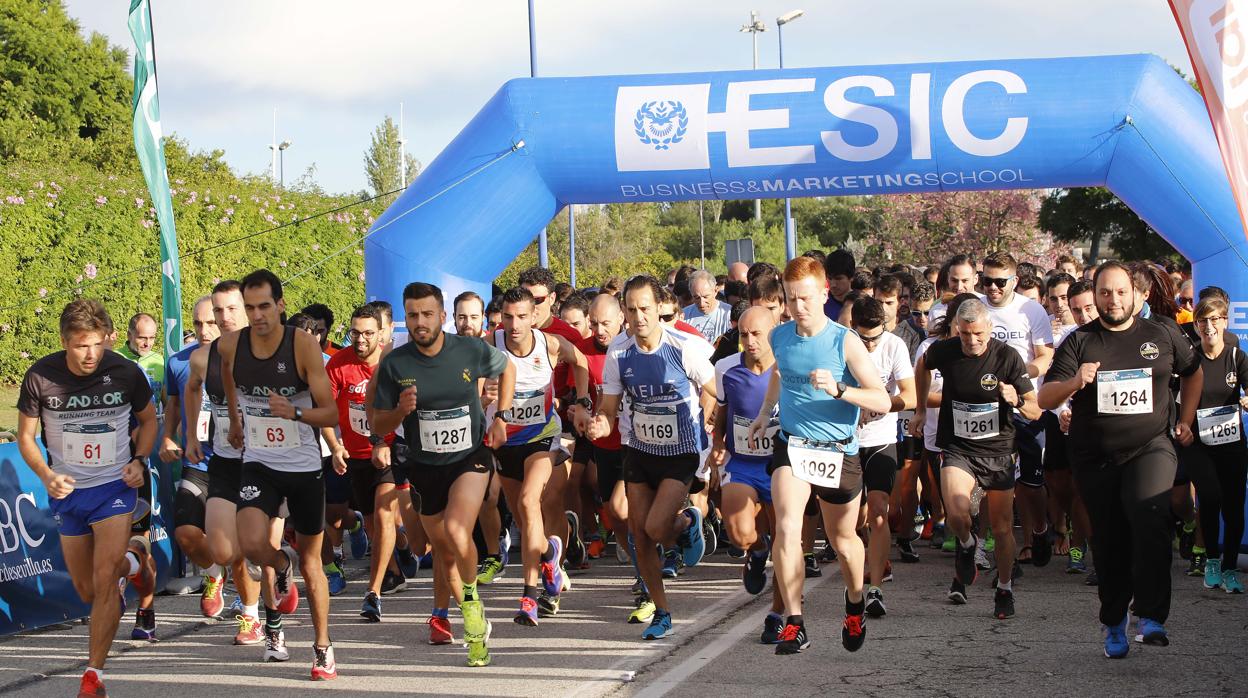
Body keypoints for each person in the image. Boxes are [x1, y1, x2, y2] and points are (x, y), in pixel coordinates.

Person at [1039, 261, 1201, 658]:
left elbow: (1193, 372)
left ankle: (1151, 616)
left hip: (1151, 446)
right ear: (1095, 296)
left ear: (1137, 294)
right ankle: (1114, 620)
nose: (1113, 300)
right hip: (1096, 456)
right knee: (1110, 540)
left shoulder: (1161, 331)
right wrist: (1077, 381)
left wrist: (1185, 419)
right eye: (1105, 292)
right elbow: (1045, 398)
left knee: (1150, 517)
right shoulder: (1079, 341)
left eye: (1121, 292)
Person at [747, 256, 891, 655]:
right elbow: (780, 373)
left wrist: (840, 390)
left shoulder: (843, 341)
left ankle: (855, 601)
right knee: (788, 528)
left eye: (806, 298)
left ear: (824, 293)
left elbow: (881, 398)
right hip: (794, 445)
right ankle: (795, 621)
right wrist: (764, 413)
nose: (799, 307)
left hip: (837, 452)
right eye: (792, 299)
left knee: (843, 540)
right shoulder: (779, 336)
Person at [17, 299, 157, 698]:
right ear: (65, 341)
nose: (91, 354)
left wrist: (140, 461)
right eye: (81, 345)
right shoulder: (40, 376)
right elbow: (25, 437)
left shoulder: (125, 371)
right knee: (87, 592)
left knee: (104, 576)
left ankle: (93, 675)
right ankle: (136, 558)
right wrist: (46, 474)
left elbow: (149, 421)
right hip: (69, 493)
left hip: (114, 488)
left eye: (97, 344)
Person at [371, 281, 515, 667]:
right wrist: (399, 412)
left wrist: (501, 415)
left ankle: (469, 606)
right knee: (439, 550)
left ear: (443, 316)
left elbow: (509, 368)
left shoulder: (468, 350)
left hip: (470, 458)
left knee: (456, 531)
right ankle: (474, 621)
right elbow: (375, 419)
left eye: (428, 314)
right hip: (424, 466)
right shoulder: (395, 363)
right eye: (413, 315)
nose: (421, 322)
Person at [218, 270, 341, 680]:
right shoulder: (231, 344)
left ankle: (322, 646)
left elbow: (331, 412)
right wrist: (236, 421)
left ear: (281, 305)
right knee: (253, 544)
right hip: (259, 461)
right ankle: (278, 569)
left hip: (304, 466)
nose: (257, 316)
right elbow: (233, 385)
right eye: (249, 308)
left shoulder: (302, 345)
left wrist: (296, 412)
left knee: (312, 563)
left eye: (264, 306)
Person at [587, 275, 714, 641]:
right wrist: (599, 422)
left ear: (660, 308)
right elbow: (609, 405)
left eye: (645, 308)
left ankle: (687, 522)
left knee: (658, 527)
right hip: (639, 450)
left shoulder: (683, 347)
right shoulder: (619, 352)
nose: (638, 316)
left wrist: (717, 426)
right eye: (631, 309)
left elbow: (715, 390)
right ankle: (662, 612)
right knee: (641, 536)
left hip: (680, 452)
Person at [914, 299, 1040, 619]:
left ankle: (1005, 588)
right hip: (958, 448)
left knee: (1000, 529)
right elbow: (922, 367)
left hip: (998, 453)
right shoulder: (947, 350)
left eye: (978, 334)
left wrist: (1016, 398)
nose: (972, 341)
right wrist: (919, 409)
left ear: (990, 329)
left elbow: (1034, 409)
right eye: (966, 334)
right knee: (957, 512)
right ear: (957, 329)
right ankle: (968, 544)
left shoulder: (1007, 357)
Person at [490, 287, 591, 625]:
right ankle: (550, 552)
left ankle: (529, 595)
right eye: (508, 317)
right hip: (506, 442)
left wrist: (581, 401)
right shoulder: (492, 343)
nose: (514, 324)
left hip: (540, 436)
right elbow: (471, 384)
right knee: (523, 519)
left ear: (534, 316)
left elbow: (581, 363)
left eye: (521, 316)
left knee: (530, 503)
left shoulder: (548, 344)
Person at [183, 280, 273, 646]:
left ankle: (253, 616)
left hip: (267, 463)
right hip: (224, 459)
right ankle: (256, 582)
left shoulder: (271, 351)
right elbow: (191, 389)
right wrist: (190, 435)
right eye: (218, 311)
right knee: (224, 550)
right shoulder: (203, 357)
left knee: (255, 547)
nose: (224, 318)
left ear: (247, 309)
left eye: (231, 309)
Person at [323, 304, 403, 621]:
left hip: (389, 449)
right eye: (355, 333)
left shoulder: (392, 364)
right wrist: (335, 446)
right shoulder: (338, 365)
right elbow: (326, 412)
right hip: (356, 454)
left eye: (368, 333)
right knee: (371, 521)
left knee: (384, 515)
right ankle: (396, 567)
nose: (360, 340)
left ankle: (374, 591)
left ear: (380, 334)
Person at [713, 306, 785, 641]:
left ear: (774, 330)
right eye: (744, 334)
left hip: (782, 465)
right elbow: (722, 411)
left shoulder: (789, 367)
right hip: (742, 463)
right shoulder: (726, 368)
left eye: (757, 334)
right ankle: (757, 550)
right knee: (739, 533)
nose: (750, 341)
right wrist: (717, 444)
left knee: (788, 544)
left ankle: (778, 614)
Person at [979, 253, 1055, 570]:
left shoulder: (1030, 309)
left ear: (1014, 281)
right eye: (987, 281)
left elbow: (1045, 356)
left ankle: (1039, 531)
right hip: (984, 406)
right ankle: (985, 544)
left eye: (1000, 282)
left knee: (1029, 484)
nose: (992, 288)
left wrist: (1018, 375)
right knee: (985, 480)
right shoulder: (973, 305)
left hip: (1023, 404)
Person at [159, 296, 224, 622]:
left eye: (211, 322)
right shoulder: (179, 363)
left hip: (235, 463)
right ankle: (213, 575)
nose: (204, 330)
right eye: (198, 323)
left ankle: (253, 611)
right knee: (186, 533)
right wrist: (169, 436)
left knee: (237, 545)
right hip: (197, 462)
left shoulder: (241, 358)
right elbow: (172, 405)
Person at [850, 297, 916, 618]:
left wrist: (881, 403)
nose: (872, 344)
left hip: (881, 439)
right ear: (853, 328)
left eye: (876, 336)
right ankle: (864, 564)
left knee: (878, 512)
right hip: (846, 443)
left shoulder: (895, 346)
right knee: (852, 521)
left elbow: (912, 396)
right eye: (865, 338)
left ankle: (874, 589)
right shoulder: (842, 345)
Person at [1178, 296, 1246, 593]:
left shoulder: (1237, 357)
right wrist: (1181, 426)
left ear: (1225, 322)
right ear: (1196, 325)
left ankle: (1230, 567)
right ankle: (1212, 560)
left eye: (1215, 319)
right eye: (1203, 321)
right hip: (1198, 442)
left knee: (1233, 505)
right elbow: (1171, 394)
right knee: (1210, 494)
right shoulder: (1190, 359)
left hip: (1231, 441)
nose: (1209, 326)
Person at [683, 269, 732, 343]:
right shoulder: (684, 315)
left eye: (706, 297)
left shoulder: (728, 313)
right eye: (696, 298)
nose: (701, 303)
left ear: (715, 291)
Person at [823, 249, 855, 321]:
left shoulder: (862, 303)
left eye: (838, 278)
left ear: (851, 277)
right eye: (830, 278)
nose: (833, 284)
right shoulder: (820, 303)